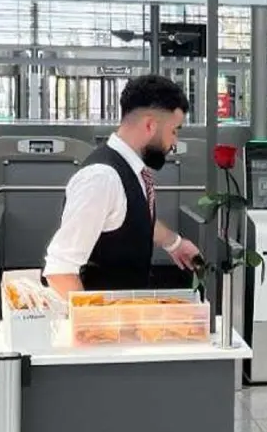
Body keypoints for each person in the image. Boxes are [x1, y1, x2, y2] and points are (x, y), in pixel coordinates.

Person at [43, 75, 201, 296]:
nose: (174, 143)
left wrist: (174, 243)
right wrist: (93, 326)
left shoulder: (131, 170)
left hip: (125, 320)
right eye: (174, 131)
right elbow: (60, 271)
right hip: (104, 324)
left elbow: (130, 219)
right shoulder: (102, 178)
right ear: (150, 125)